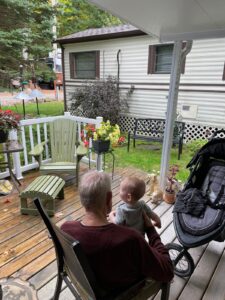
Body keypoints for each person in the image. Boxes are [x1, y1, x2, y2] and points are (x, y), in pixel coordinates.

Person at [61, 170, 173, 293]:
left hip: (87, 287)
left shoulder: (66, 229)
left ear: (82, 198)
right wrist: (151, 231)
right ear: (109, 198)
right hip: (123, 292)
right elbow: (167, 271)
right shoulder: (130, 239)